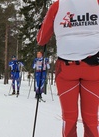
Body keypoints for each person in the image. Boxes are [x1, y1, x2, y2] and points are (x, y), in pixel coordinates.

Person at [37, 0, 99, 136]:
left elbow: (41, 39)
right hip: (94, 68)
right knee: (91, 118)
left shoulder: (57, 5)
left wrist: (42, 26)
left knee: (69, 118)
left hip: (67, 69)